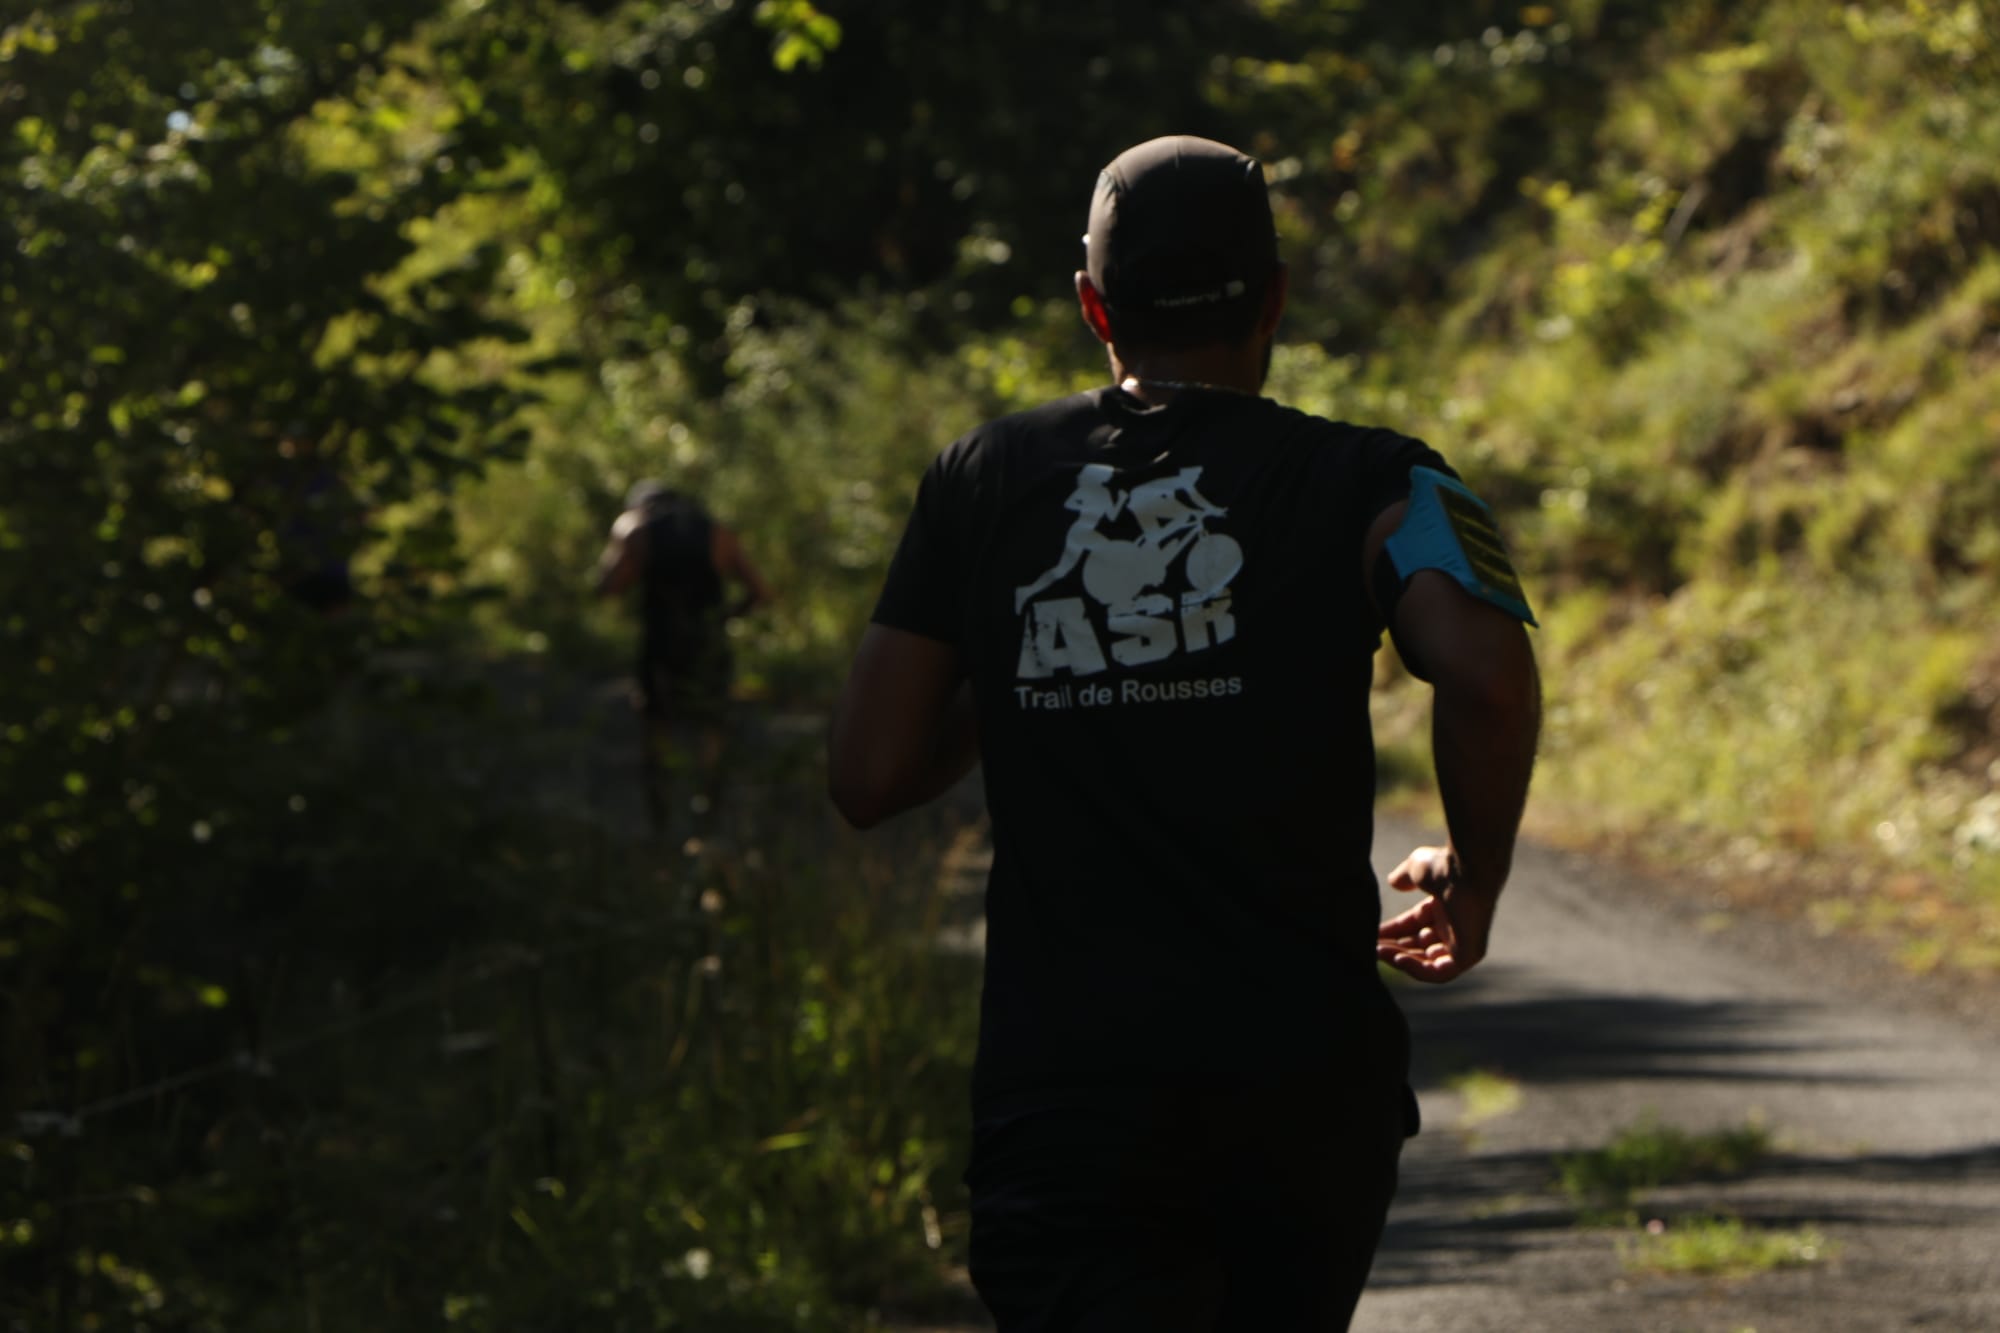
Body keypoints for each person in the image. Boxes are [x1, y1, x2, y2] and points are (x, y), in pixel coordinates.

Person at [828, 135, 1540, 1330]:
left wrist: (1037, 652)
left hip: (1069, 1102)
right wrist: (1473, 879)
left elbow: (866, 772)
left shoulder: (979, 483)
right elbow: (1483, 672)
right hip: (1302, 1097)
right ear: (1274, 297)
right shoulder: (1382, 480)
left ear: (1091, 305)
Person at [595, 480, 771, 830]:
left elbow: (609, 586)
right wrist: (726, 618)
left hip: (661, 643)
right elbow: (760, 592)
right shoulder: (716, 531)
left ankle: (660, 816)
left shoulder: (634, 529)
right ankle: (707, 810)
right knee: (711, 723)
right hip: (709, 642)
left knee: (657, 723)